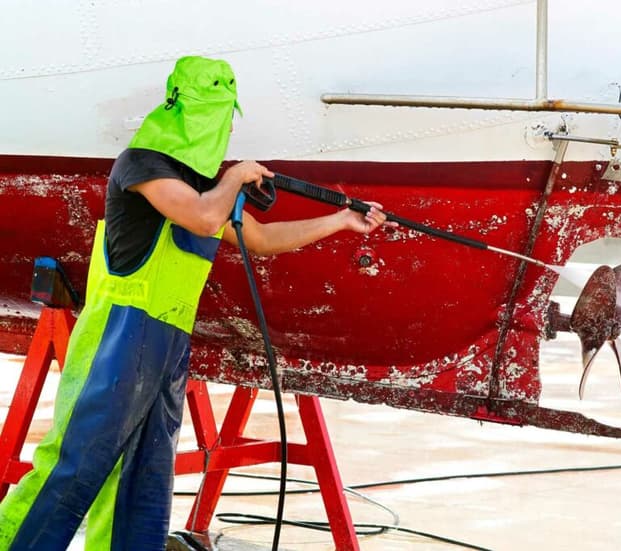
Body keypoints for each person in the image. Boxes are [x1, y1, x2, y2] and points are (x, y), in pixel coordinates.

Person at [0, 55, 389, 550]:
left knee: (144, 479)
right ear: (184, 109)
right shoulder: (142, 165)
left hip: (165, 344)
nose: (220, 127)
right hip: (116, 338)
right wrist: (234, 177)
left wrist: (340, 221)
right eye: (215, 113)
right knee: (75, 465)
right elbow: (205, 219)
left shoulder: (202, 188)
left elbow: (262, 238)